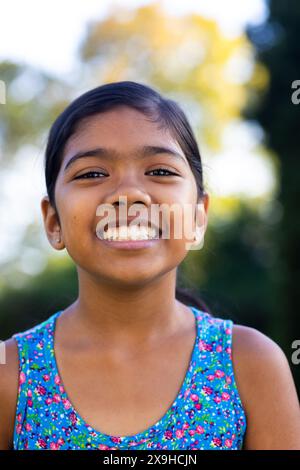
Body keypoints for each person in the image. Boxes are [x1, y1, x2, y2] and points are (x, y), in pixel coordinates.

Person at [1, 81, 299, 450]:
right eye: (92, 174)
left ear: (198, 218)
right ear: (54, 222)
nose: (128, 193)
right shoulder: (10, 373)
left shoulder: (251, 364)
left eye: (160, 172)